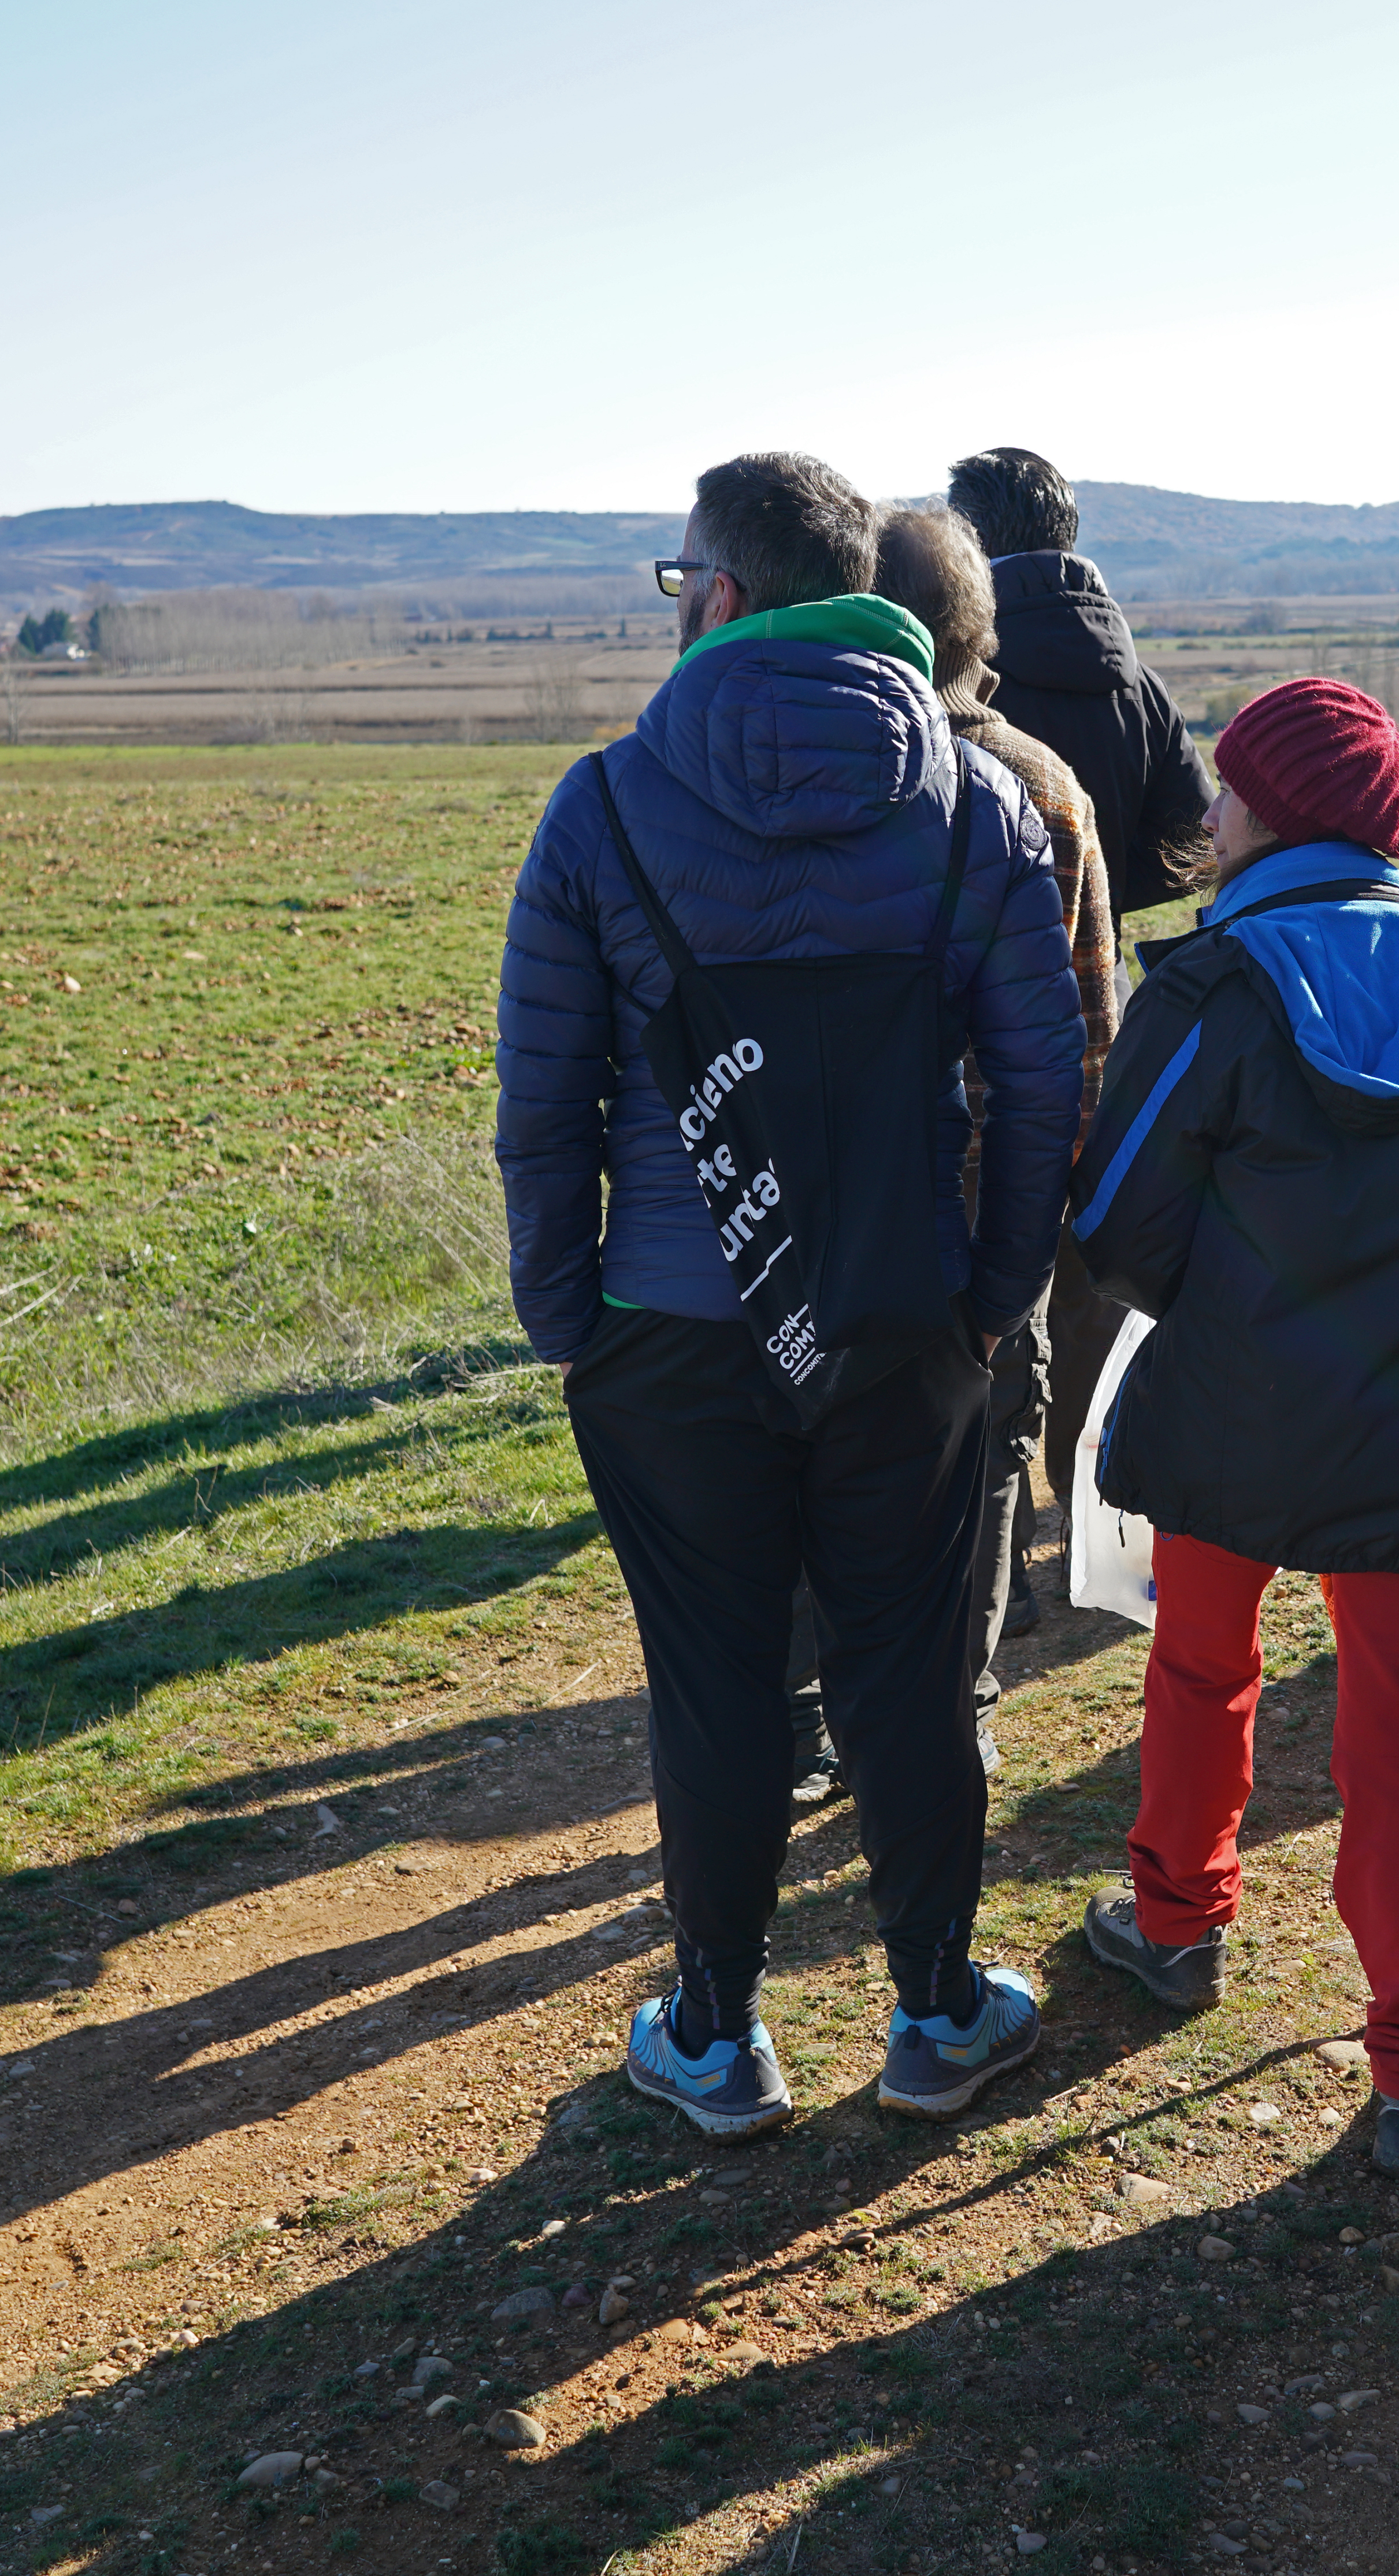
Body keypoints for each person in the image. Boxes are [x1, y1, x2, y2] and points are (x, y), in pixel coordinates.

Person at [494, 451, 1084, 2140]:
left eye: (676, 579)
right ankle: (934, 2012)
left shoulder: (601, 806)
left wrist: (572, 1320)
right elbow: (1040, 1087)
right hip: (907, 1317)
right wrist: (991, 1292)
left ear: (725, 598)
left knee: (717, 1683)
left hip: (672, 1333)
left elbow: (545, 1105)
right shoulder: (975, 804)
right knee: (908, 1674)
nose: (671, 604)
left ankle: (714, 2028)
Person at [1063, 678, 1399, 2187]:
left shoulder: (1210, 991)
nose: (1210, 807)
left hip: (1230, 1421)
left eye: (1228, 787)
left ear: (1267, 813)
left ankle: (1179, 1920)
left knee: (1202, 1666)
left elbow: (1121, 1233)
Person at [774, 506, 1126, 1792]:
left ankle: (804, 1712)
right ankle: (957, 1703)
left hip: (817, 1197)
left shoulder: (792, 761)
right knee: (977, 1458)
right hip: (990, 1207)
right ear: (980, 629)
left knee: (810, 1445)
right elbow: (1090, 1026)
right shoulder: (1039, 779)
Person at [948, 447, 1216, 920]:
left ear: (970, 539)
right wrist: (1094, 896)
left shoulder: (955, 677)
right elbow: (1197, 839)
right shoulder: (1144, 689)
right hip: (1102, 978)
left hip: (974, 980)